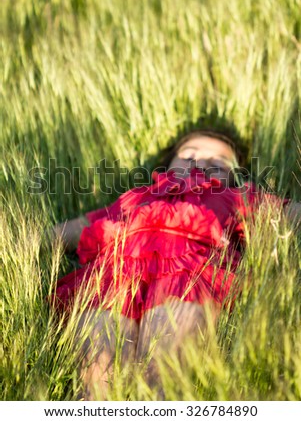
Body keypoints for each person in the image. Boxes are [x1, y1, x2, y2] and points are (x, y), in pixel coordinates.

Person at [51, 127, 300, 400]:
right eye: (189, 156)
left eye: (217, 163)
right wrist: (31, 239)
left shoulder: (236, 196)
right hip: (112, 277)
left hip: (187, 276)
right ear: (167, 165)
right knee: (97, 384)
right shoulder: (137, 196)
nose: (201, 163)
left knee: (162, 380)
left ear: (234, 177)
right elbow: (82, 226)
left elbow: (287, 213)